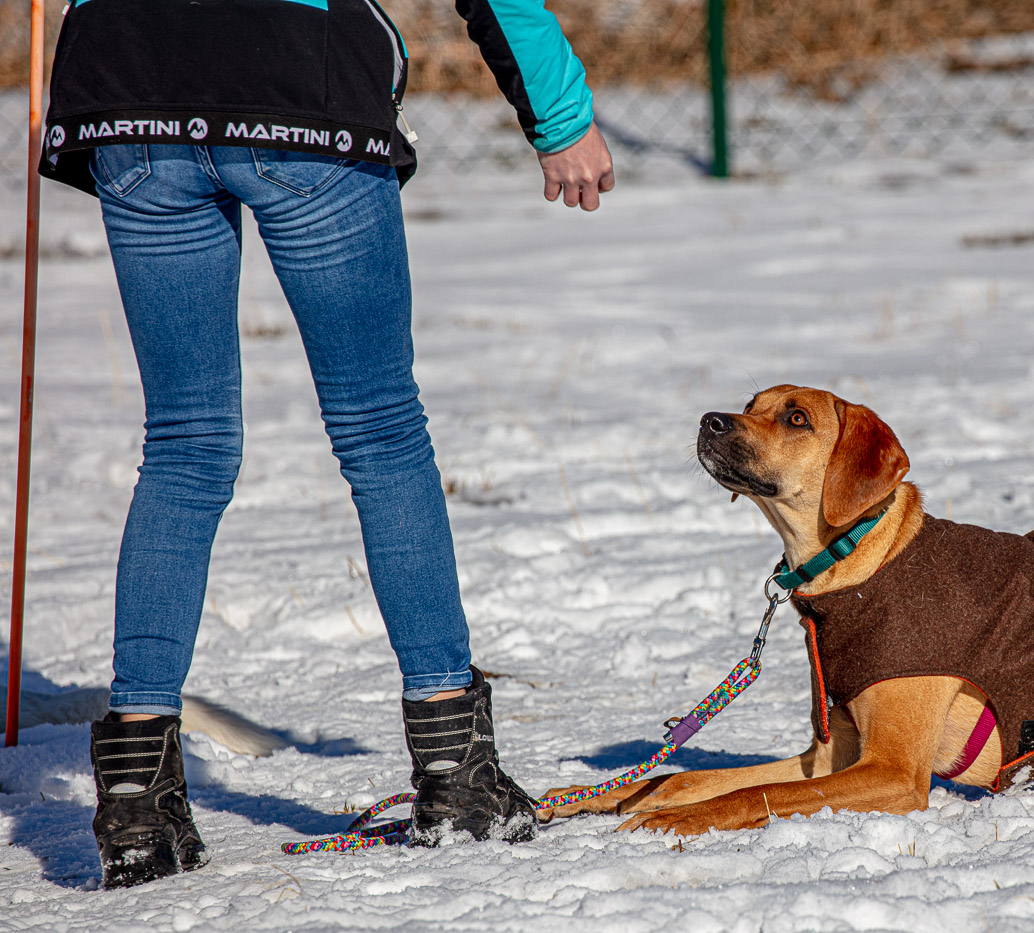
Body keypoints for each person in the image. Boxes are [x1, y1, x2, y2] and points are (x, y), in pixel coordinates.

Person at [39, 0, 613, 889]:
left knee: (185, 445)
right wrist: (562, 119)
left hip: (131, 84)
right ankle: (455, 771)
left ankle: (136, 798)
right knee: (381, 432)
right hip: (295, 79)